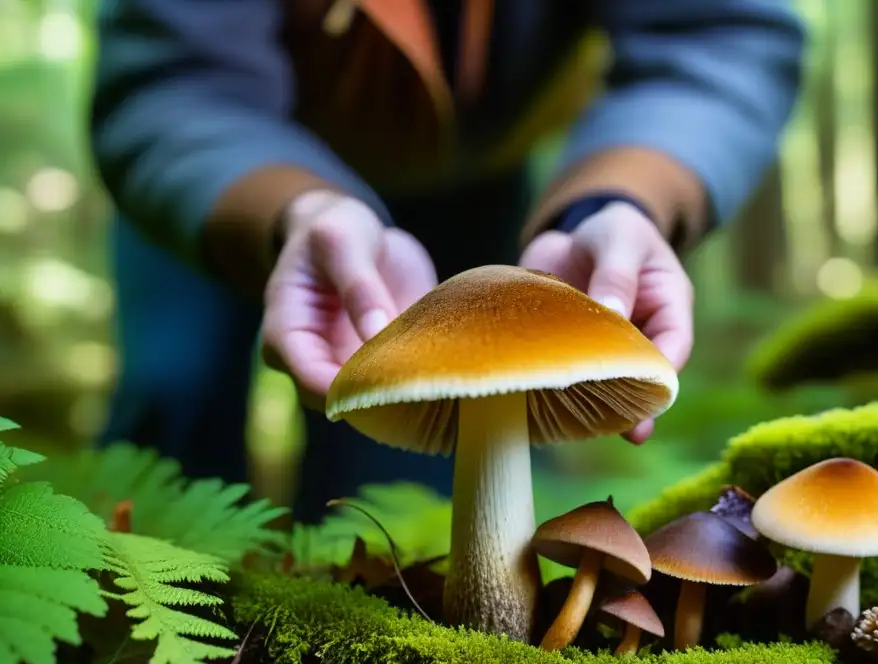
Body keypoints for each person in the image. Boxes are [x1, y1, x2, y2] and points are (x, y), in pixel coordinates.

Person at [90, 0, 805, 522]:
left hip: (475, 180)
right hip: (220, 176)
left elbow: (715, 31)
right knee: (172, 402)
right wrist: (290, 207)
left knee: (400, 485)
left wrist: (623, 196)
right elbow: (171, 73)